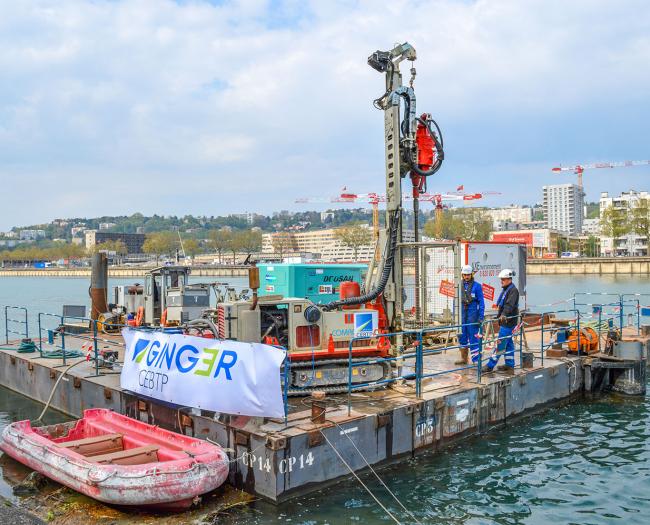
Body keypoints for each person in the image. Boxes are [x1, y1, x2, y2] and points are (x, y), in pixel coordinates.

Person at [485, 268, 519, 373]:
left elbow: (509, 305)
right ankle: (509, 365)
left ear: (509, 279)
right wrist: (499, 315)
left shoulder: (513, 291)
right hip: (506, 322)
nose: (501, 281)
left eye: (503, 280)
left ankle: (490, 366)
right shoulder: (507, 289)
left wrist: (503, 314)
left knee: (500, 344)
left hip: (508, 322)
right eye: (501, 279)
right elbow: (503, 305)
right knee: (508, 344)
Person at [456, 264, 485, 365]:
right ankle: (464, 359)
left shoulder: (477, 286)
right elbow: (455, 301)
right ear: (462, 275)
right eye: (465, 275)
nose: (466, 277)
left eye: (468, 275)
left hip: (473, 316)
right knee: (462, 335)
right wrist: (455, 316)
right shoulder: (458, 285)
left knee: (474, 337)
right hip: (462, 315)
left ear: (471, 274)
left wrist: (481, 316)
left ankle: (476, 360)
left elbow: (481, 302)